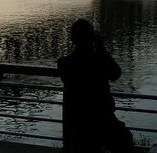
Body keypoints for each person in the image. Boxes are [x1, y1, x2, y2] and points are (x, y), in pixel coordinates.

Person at [57, 19, 135, 153]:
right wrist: (100, 47)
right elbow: (116, 73)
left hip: (79, 123)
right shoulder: (99, 60)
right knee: (125, 140)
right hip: (103, 120)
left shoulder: (64, 63)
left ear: (72, 39)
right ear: (91, 38)